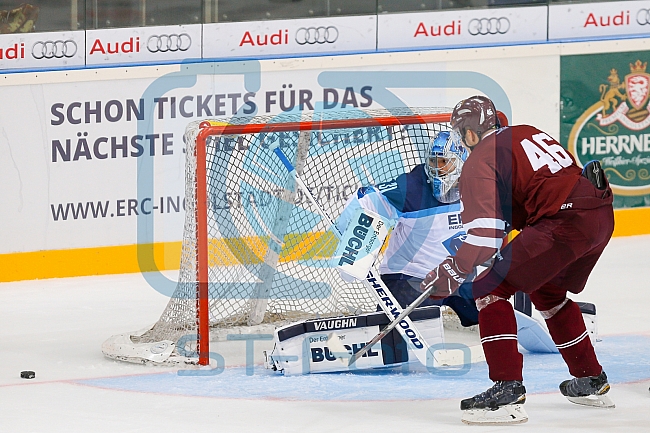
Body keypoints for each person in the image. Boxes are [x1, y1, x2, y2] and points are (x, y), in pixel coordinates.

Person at [420, 96, 615, 425]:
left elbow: (485, 237)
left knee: (488, 288)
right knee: (547, 292)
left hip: (563, 222)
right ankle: (591, 380)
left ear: (469, 134)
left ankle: (506, 391)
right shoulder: (524, 132)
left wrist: (453, 269)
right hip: (600, 215)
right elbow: (537, 191)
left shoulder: (481, 158)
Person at [337, 130, 478, 328]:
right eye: (432, 161)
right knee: (401, 333)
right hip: (409, 276)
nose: (437, 169)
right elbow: (365, 199)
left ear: (461, 162)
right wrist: (352, 248)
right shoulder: (412, 186)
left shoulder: (478, 186)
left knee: (488, 311)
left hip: (454, 274)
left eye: (443, 162)